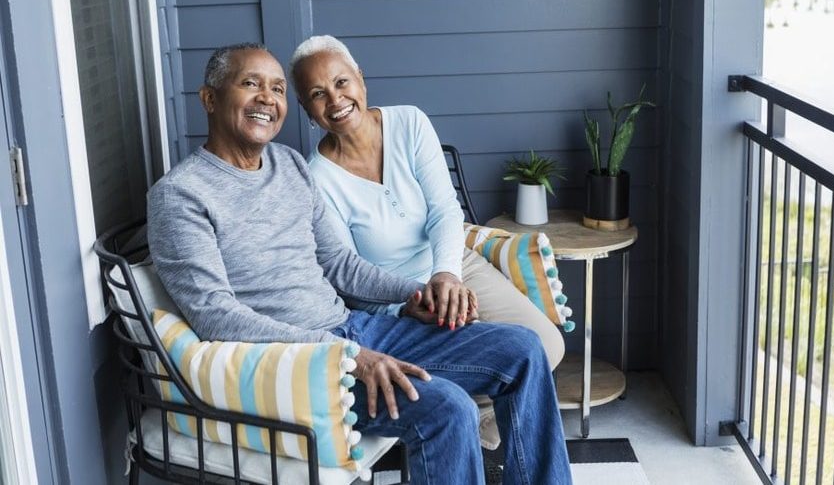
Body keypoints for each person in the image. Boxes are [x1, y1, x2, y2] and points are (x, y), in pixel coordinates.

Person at [147, 42, 572, 485]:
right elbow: (215, 316)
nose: (266, 99)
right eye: (249, 84)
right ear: (209, 98)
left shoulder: (289, 166)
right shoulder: (181, 196)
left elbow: (338, 264)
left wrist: (411, 294)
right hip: (299, 364)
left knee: (523, 350)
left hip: (353, 331)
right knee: (448, 408)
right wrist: (343, 356)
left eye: (275, 88)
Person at [290, 35, 565, 366]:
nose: (335, 99)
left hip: (453, 264)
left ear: (360, 78)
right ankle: (477, 416)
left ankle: (486, 414)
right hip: (398, 301)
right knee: (474, 371)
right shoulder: (315, 179)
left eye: (341, 82)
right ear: (306, 109)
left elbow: (444, 210)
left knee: (547, 346)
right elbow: (349, 274)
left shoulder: (409, 122)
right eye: (318, 94)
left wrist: (447, 274)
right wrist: (405, 304)